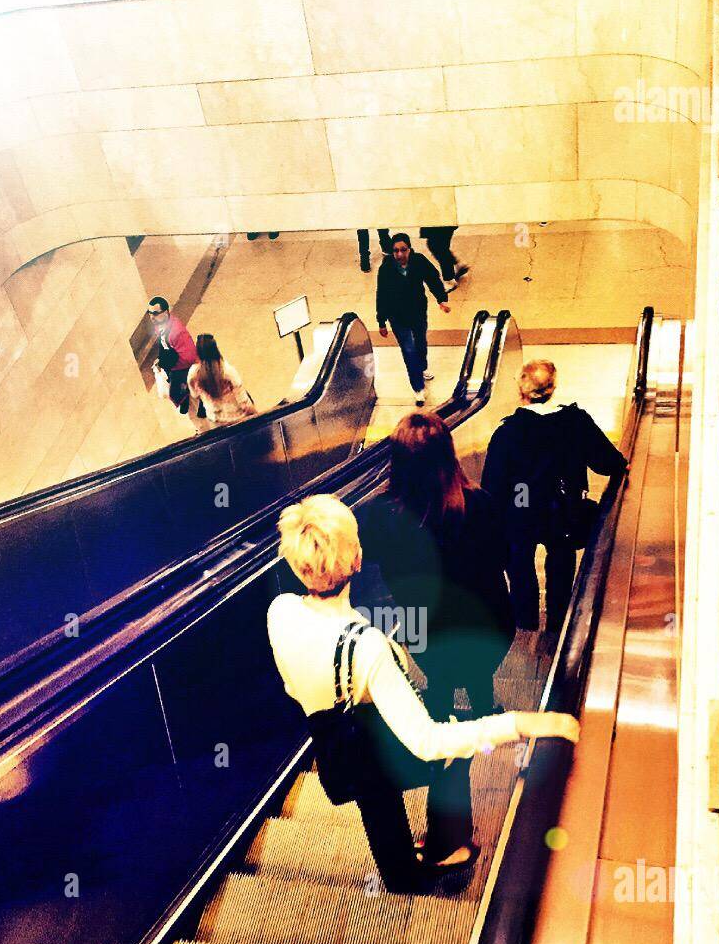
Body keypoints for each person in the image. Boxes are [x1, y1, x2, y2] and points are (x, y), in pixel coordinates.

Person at [267, 494, 578, 893]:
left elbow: (293, 686)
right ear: (356, 559)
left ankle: (400, 875)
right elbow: (429, 742)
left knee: (374, 795)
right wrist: (520, 722)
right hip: (375, 743)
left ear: (298, 562)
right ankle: (447, 848)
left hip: (334, 746)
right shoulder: (367, 646)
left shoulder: (281, 611)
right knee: (453, 753)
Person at [359, 412, 514, 722]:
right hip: (486, 623)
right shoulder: (480, 503)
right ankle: (484, 715)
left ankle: (438, 724)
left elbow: (369, 558)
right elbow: (505, 557)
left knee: (439, 677)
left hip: (423, 627)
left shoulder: (382, 512)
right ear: (448, 454)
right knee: (479, 673)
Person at [482, 360, 627, 632]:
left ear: (521, 391)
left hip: (520, 510)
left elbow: (493, 487)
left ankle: (525, 623)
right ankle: (557, 624)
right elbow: (608, 463)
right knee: (561, 565)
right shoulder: (576, 422)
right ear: (553, 388)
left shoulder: (507, 432)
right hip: (564, 509)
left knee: (520, 567)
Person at [376, 233, 450, 406]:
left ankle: (422, 366)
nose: (400, 254)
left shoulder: (419, 261)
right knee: (409, 351)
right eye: (395, 251)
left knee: (421, 344)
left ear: (409, 249)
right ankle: (418, 387)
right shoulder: (386, 268)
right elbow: (382, 295)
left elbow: (433, 278)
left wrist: (441, 299)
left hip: (417, 313)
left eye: (403, 250)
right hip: (397, 317)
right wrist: (381, 321)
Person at [187, 334, 256, 433]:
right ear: (215, 349)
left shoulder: (193, 374)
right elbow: (244, 404)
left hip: (216, 422)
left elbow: (194, 395)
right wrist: (257, 415)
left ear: (198, 353)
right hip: (238, 419)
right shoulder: (227, 371)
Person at [148, 296, 197, 417]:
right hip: (172, 361)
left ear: (165, 312)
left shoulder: (177, 332)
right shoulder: (160, 325)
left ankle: (184, 399)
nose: (152, 317)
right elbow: (163, 344)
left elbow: (189, 357)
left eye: (155, 313)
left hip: (181, 366)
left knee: (174, 392)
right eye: (149, 313)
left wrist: (171, 365)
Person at [419, 226, 469, 291]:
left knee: (437, 247)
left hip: (440, 224)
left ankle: (449, 279)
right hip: (442, 224)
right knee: (441, 246)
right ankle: (458, 266)